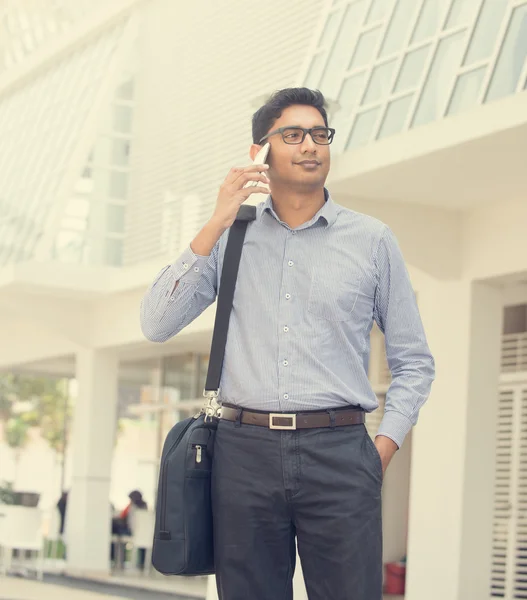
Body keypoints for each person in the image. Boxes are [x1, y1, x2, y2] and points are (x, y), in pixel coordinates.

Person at [140, 88, 435, 600]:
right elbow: (156, 323)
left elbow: (414, 363)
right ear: (262, 151)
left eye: (320, 135)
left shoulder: (372, 240)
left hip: (341, 452)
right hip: (242, 454)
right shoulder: (231, 238)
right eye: (292, 134)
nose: (310, 146)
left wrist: (379, 450)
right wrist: (216, 219)